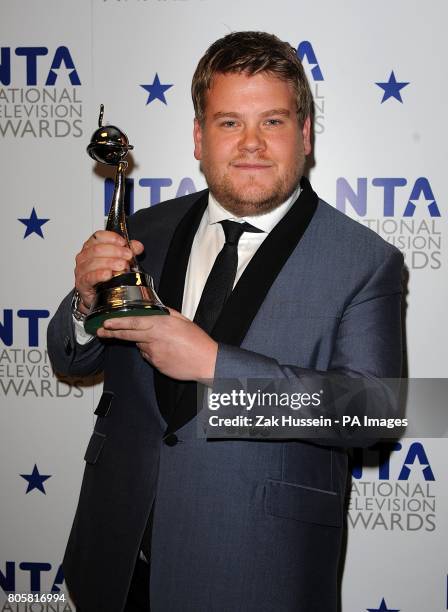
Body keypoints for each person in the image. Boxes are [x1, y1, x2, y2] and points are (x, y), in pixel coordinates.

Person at [47, 31, 403, 612]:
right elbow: (71, 358)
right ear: (198, 137)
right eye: (230, 123)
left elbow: (375, 410)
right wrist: (85, 304)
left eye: (274, 122)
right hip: (115, 564)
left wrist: (216, 365)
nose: (252, 144)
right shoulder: (145, 231)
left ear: (306, 134)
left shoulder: (362, 261)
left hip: (258, 573)